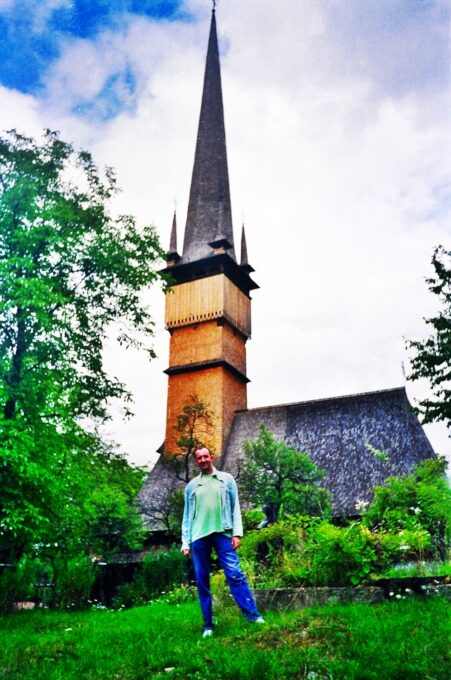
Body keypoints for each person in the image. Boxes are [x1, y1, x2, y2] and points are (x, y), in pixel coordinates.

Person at [181, 446, 264, 637]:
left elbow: (235, 507)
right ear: (196, 461)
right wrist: (185, 542)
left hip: (223, 534)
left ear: (212, 457)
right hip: (199, 537)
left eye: (205, 456)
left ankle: (253, 616)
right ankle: (208, 625)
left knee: (235, 574)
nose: (203, 460)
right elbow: (186, 516)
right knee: (202, 581)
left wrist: (237, 534)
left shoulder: (226, 479)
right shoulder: (191, 487)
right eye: (199, 458)